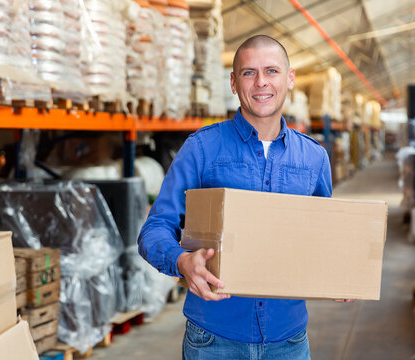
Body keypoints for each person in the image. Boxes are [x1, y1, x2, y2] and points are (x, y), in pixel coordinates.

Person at [138, 35, 333, 360]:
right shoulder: (201, 149)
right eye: (248, 73)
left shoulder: (314, 158)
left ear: (290, 78)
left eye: (271, 71)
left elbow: (326, 237)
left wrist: (340, 273)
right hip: (215, 339)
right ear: (233, 82)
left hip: (289, 341)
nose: (261, 83)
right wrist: (181, 261)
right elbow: (154, 229)